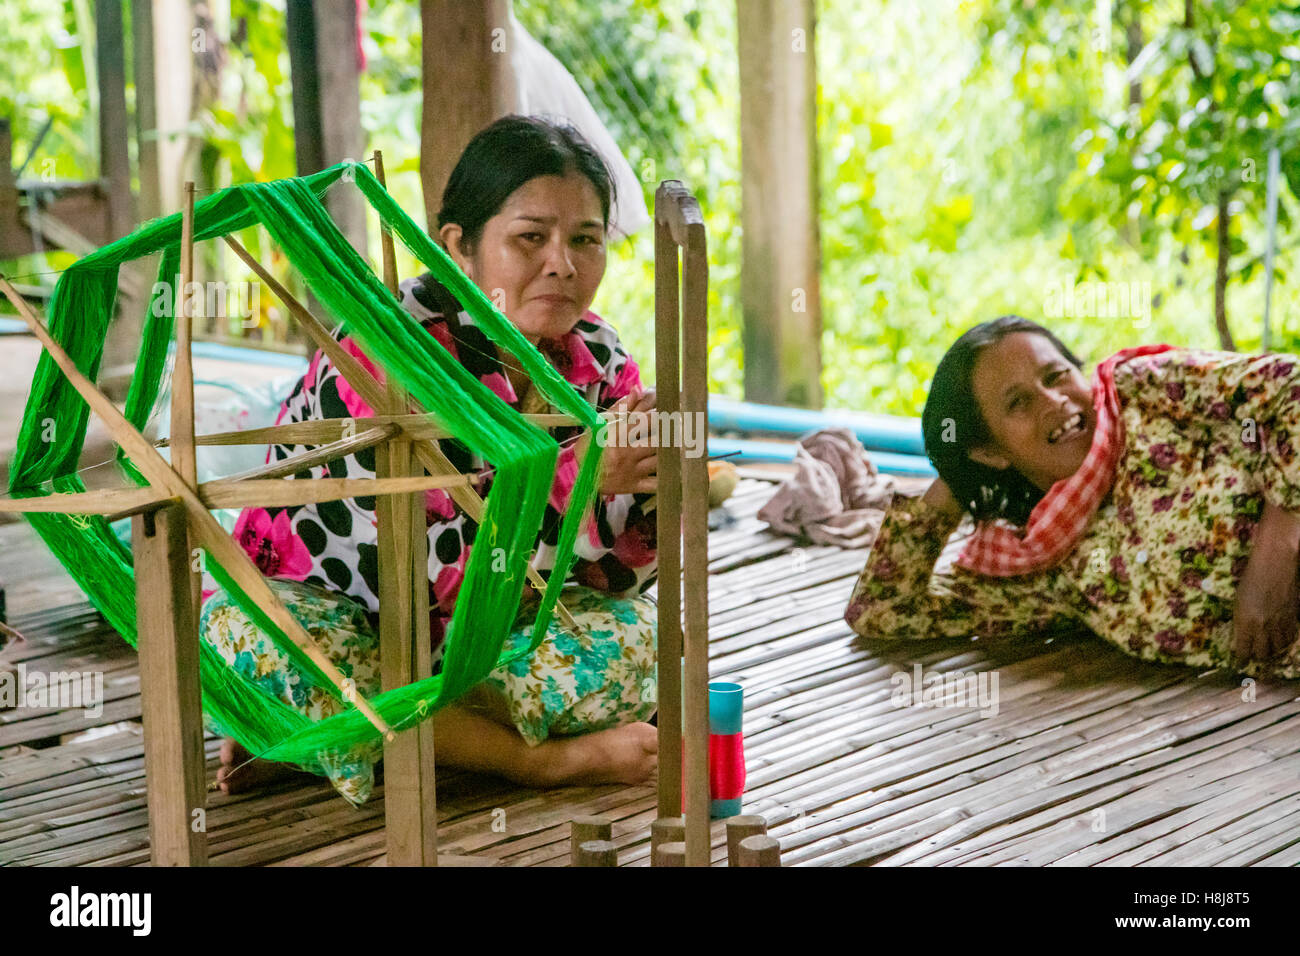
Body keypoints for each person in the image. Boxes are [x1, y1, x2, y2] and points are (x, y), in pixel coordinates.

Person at [206, 116, 660, 803]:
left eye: (586, 239)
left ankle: (337, 744)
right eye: (531, 237)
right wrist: (578, 489)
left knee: (644, 640)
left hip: (475, 637)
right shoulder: (380, 358)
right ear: (459, 246)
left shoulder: (596, 359)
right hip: (342, 611)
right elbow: (420, 578)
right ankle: (532, 761)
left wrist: (656, 492)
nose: (563, 263)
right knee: (237, 638)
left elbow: (611, 583)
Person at [845, 315, 1300, 680]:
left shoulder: (1142, 391)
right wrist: (961, 473)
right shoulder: (1040, 567)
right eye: (1017, 403)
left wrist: (1277, 549)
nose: (1052, 400)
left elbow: (1292, 387)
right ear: (990, 450)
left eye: (1056, 375)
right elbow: (882, 608)